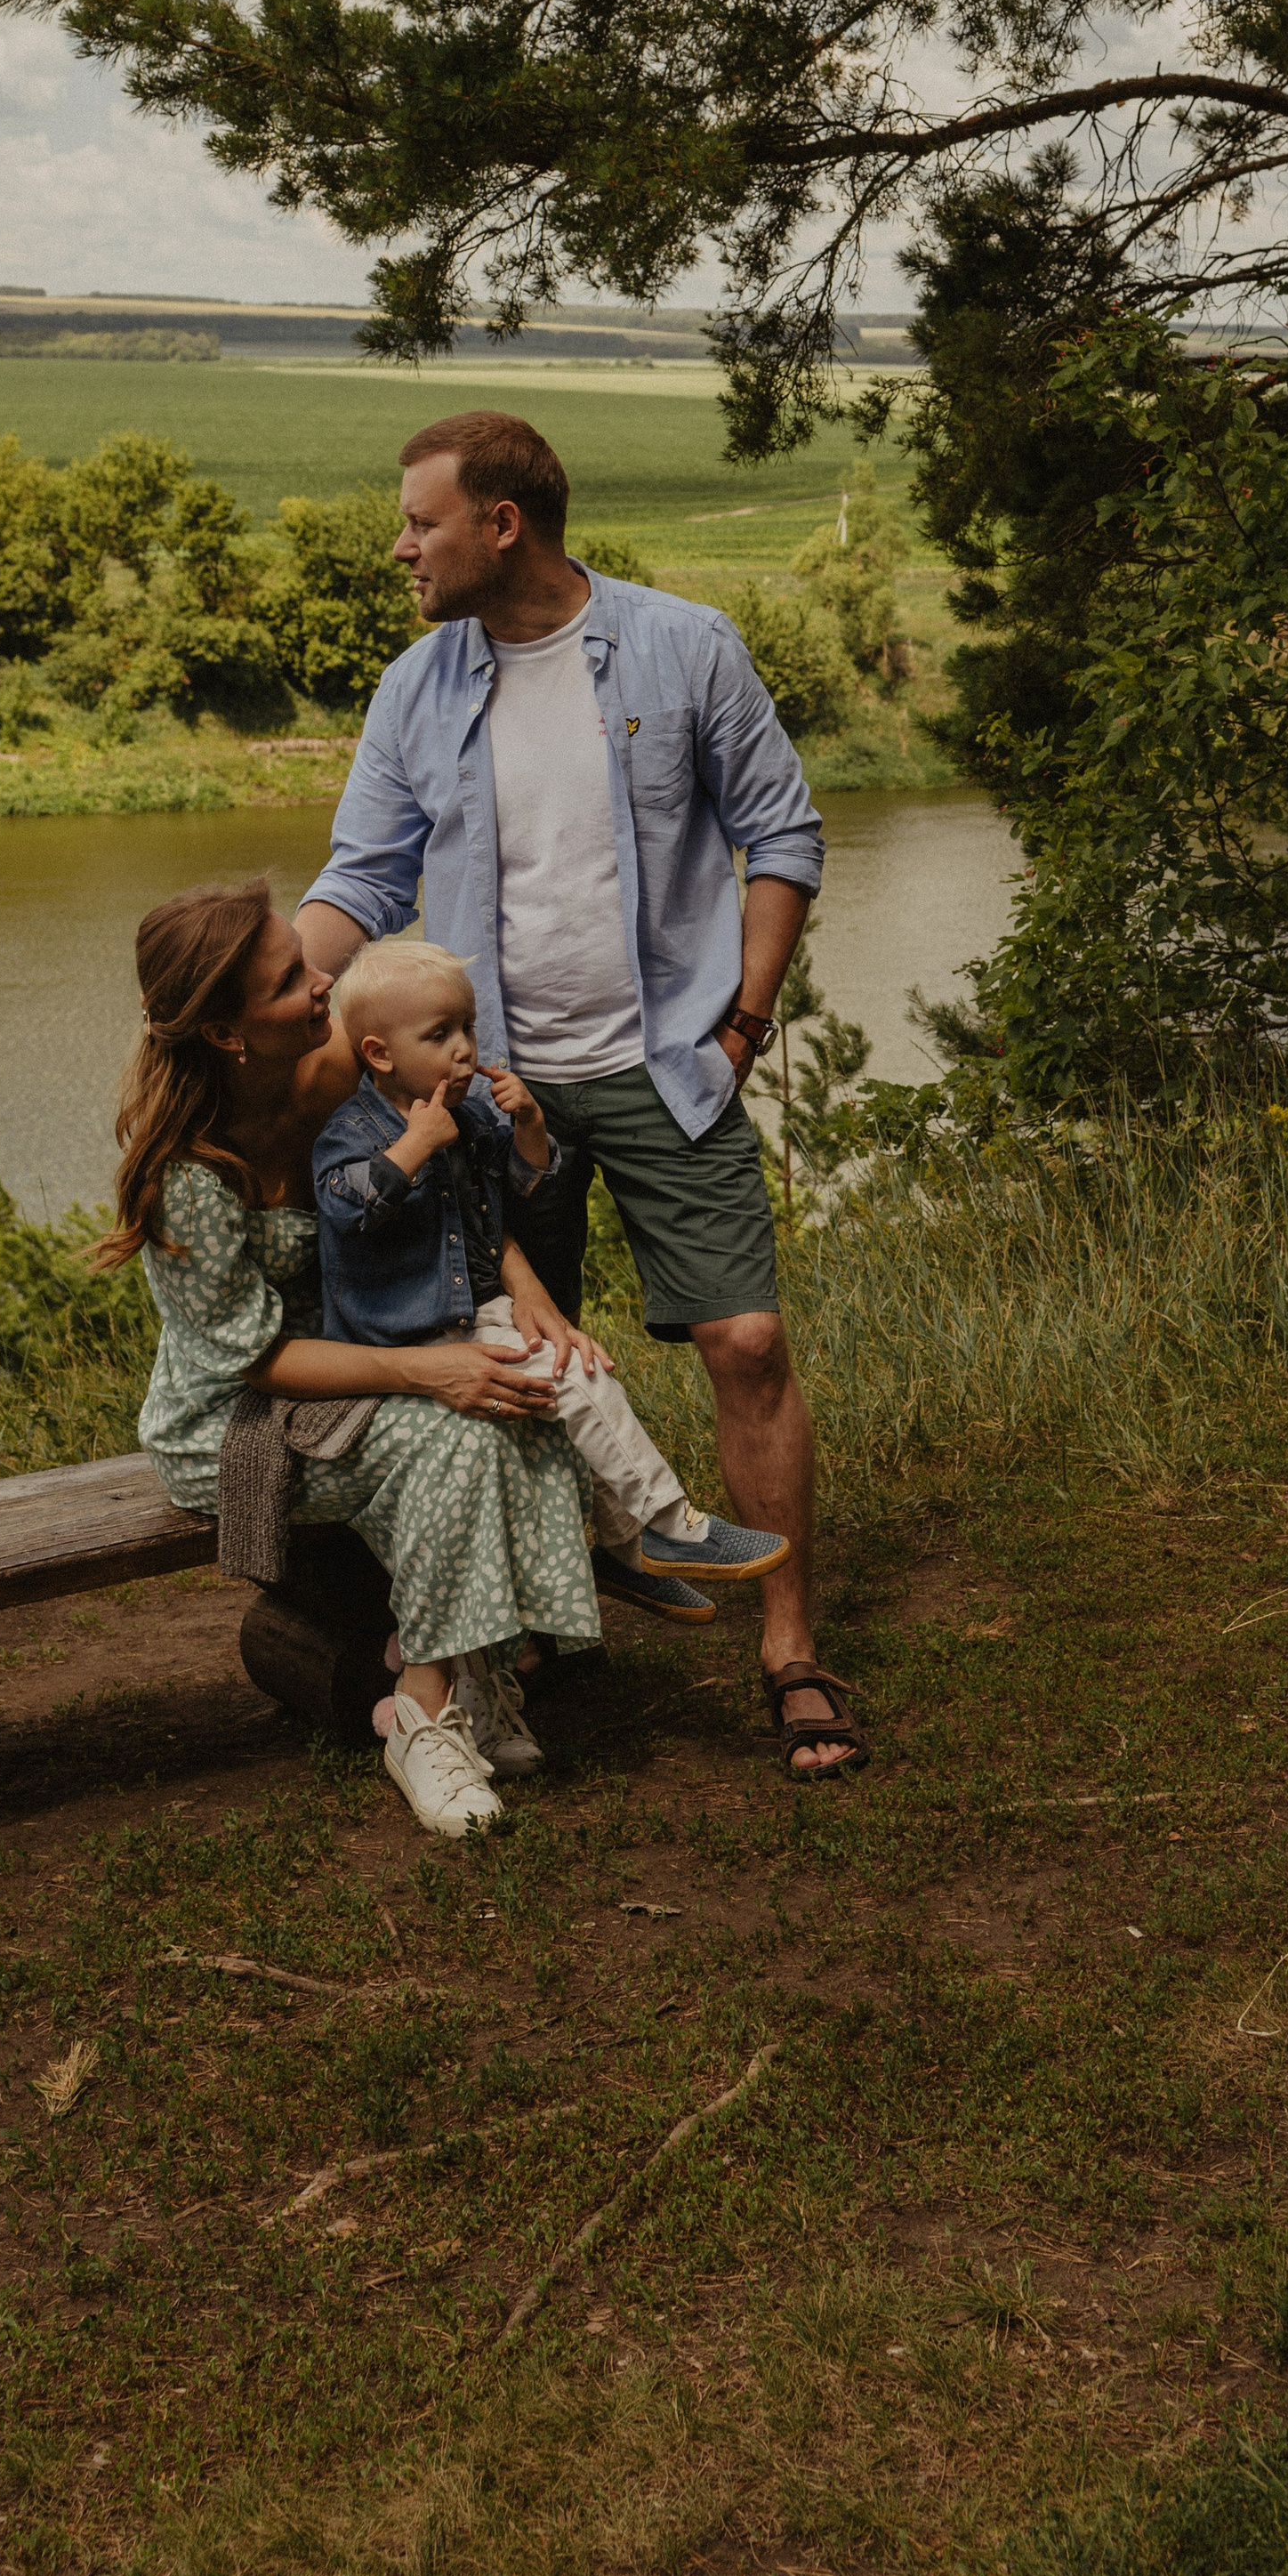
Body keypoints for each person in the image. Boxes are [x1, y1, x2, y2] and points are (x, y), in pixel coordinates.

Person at [294, 408, 870, 1783]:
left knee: (743, 1339)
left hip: (668, 1060)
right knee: (505, 1364)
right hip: (488, 1089)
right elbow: (364, 881)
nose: (400, 545)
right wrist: (255, 989)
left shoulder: (684, 646)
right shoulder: (415, 688)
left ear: (503, 523)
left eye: (420, 520)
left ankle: (788, 1646)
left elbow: (781, 831)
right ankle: (515, 1647)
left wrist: (741, 1019)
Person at [96, 876, 602, 1839]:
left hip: (366, 1359)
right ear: (228, 1034)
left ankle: (483, 1669)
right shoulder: (188, 1173)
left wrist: (527, 1298)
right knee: (451, 1437)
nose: (323, 977)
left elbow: (451, 1185)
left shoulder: (339, 1071)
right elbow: (252, 1361)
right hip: (238, 1418)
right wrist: (430, 1371)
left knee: (514, 1396)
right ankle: (421, 1716)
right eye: (291, 977)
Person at [311, 933, 793, 1630]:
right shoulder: (353, 1129)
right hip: (407, 1331)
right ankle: (665, 1521)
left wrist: (530, 1122)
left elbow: (525, 1186)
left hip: (475, 1312)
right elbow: (347, 1208)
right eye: (440, 1034)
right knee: (575, 1377)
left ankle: (628, 1551)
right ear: (380, 1054)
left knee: (580, 1371)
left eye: (470, 1028)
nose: (465, 1050)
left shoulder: (471, 1116)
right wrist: (414, 1146)